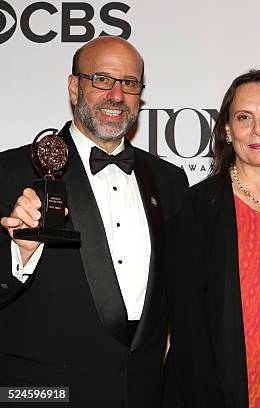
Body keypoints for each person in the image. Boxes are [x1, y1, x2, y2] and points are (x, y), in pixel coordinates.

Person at [0, 36, 187, 407]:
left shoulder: (170, 180)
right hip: (45, 394)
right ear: (74, 87)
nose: (116, 95)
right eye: (102, 79)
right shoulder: (10, 171)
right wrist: (18, 253)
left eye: (129, 83)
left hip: (143, 393)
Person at [163, 70, 260, 408]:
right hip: (217, 395)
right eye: (244, 118)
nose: (259, 130)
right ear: (227, 129)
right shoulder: (197, 209)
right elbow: (188, 331)